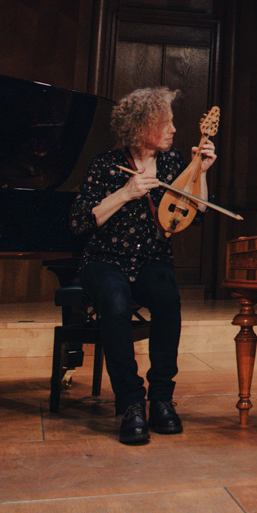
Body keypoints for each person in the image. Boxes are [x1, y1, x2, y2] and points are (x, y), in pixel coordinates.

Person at [70, 86, 215, 445]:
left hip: (152, 258)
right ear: (140, 126)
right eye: (165, 123)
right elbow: (79, 221)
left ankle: (161, 398)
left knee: (167, 299)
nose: (173, 129)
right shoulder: (105, 165)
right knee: (115, 302)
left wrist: (200, 171)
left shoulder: (173, 162)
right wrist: (126, 193)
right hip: (105, 259)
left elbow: (195, 215)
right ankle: (131, 402)